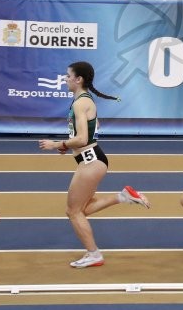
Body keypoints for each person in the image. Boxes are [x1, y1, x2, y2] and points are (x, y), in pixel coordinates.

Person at [38, 61, 150, 269]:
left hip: (91, 161)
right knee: (81, 209)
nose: (65, 79)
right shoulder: (81, 101)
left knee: (73, 212)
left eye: (68, 75)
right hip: (91, 159)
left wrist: (57, 144)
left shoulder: (81, 103)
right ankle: (122, 196)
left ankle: (94, 254)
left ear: (78, 79)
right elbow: (83, 137)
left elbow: (81, 139)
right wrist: (68, 147)